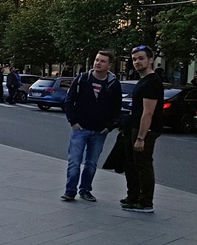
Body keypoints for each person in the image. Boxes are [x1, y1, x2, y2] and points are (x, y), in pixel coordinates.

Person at [61, 51, 122, 203]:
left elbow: (117, 108)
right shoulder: (82, 79)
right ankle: (70, 191)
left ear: (109, 65)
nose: (97, 63)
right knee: (74, 161)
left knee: (91, 163)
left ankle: (85, 190)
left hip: (100, 131)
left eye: (102, 61)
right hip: (80, 128)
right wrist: (73, 122)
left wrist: (110, 126)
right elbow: (69, 101)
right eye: (96, 60)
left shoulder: (113, 84)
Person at [121, 45, 164, 213]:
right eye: (134, 59)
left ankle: (146, 202)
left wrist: (141, 138)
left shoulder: (152, 82)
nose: (137, 62)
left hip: (145, 131)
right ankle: (134, 197)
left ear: (151, 60)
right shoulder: (144, 80)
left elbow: (148, 112)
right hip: (135, 128)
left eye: (141, 58)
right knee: (132, 164)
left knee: (143, 166)